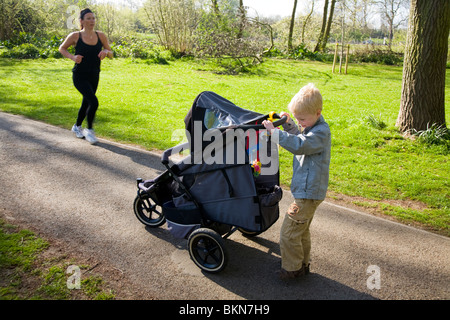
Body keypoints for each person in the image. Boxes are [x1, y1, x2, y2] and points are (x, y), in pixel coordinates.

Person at [262, 83, 331, 279]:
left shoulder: (321, 132)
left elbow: (300, 144)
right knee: (301, 231)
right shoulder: (311, 127)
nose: (300, 123)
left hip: (308, 195)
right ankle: (302, 264)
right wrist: (288, 124)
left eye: (302, 119)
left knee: (289, 232)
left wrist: (274, 133)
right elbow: (299, 135)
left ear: (317, 113)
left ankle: (291, 269)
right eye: (298, 119)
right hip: (308, 192)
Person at [59, 8, 113, 144]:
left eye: (93, 18)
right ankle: (89, 130)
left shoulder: (100, 35)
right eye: (88, 18)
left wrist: (106, 51)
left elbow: (111, 53)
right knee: (94, 102)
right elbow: (62, 48)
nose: (92, 21)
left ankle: (76, 126)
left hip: (94, 74)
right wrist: (73, 57)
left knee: (87, 101)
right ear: (82, 21)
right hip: (79, 75)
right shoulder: (75, 36)